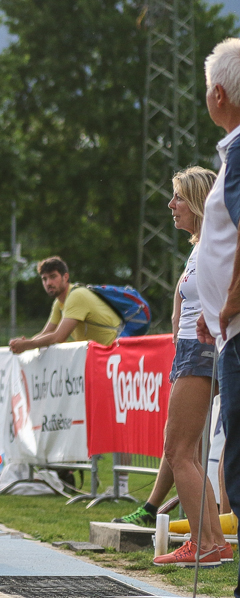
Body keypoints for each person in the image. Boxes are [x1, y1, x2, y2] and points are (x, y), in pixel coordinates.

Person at [125, 167, 229, 566]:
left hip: (200, 350)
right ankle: (213, 542)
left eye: (179, 197)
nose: (171, 205)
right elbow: (187, 293)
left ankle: (205, 544)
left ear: (200, 202)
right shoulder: (200, 244)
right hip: (190, 348)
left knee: (178, 450)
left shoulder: (215, 244)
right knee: (187, 452)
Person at [196, 39, 240, 588]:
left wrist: (229, 302)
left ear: (220, 94)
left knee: (239, 462)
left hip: (238, 329)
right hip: (227, 328)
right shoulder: (231, 153)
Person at [8, 257, 121, 354]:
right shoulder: (59, 302)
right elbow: (46, 333)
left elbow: (59, 337)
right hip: (105, 355)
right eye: (44, 279)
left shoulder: (76, 296)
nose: (48, 283)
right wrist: (25, 342)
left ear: (65, 277)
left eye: (53, 277)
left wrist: (27, 345)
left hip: (117, 352)